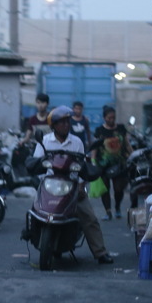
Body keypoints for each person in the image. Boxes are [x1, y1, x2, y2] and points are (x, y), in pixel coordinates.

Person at [33, 106, 115, 264]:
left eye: (67, 122)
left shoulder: (76, 142)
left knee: (89, 217)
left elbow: (83, 167)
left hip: (71, 188)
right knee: (35, 210)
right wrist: (40, 181)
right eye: (61, 122)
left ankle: (100, 252)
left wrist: (81, 186)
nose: (65, 125)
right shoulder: (45, 141)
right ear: (54, 125)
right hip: (49, 186)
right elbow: (36, 163)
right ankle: (31, 232)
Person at [92, 105, 130, 220]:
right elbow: (95, 147)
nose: (112, 120)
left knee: (119, 188)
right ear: (104, 118)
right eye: (109, 118)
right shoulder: (99, 131)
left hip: (120, 163)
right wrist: (93, 161)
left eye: (113, 117)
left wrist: (133, 155)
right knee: (105, 189)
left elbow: (127, 144)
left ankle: (117, 207)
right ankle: (108, 211)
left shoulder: (121, 128)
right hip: (102, 164)